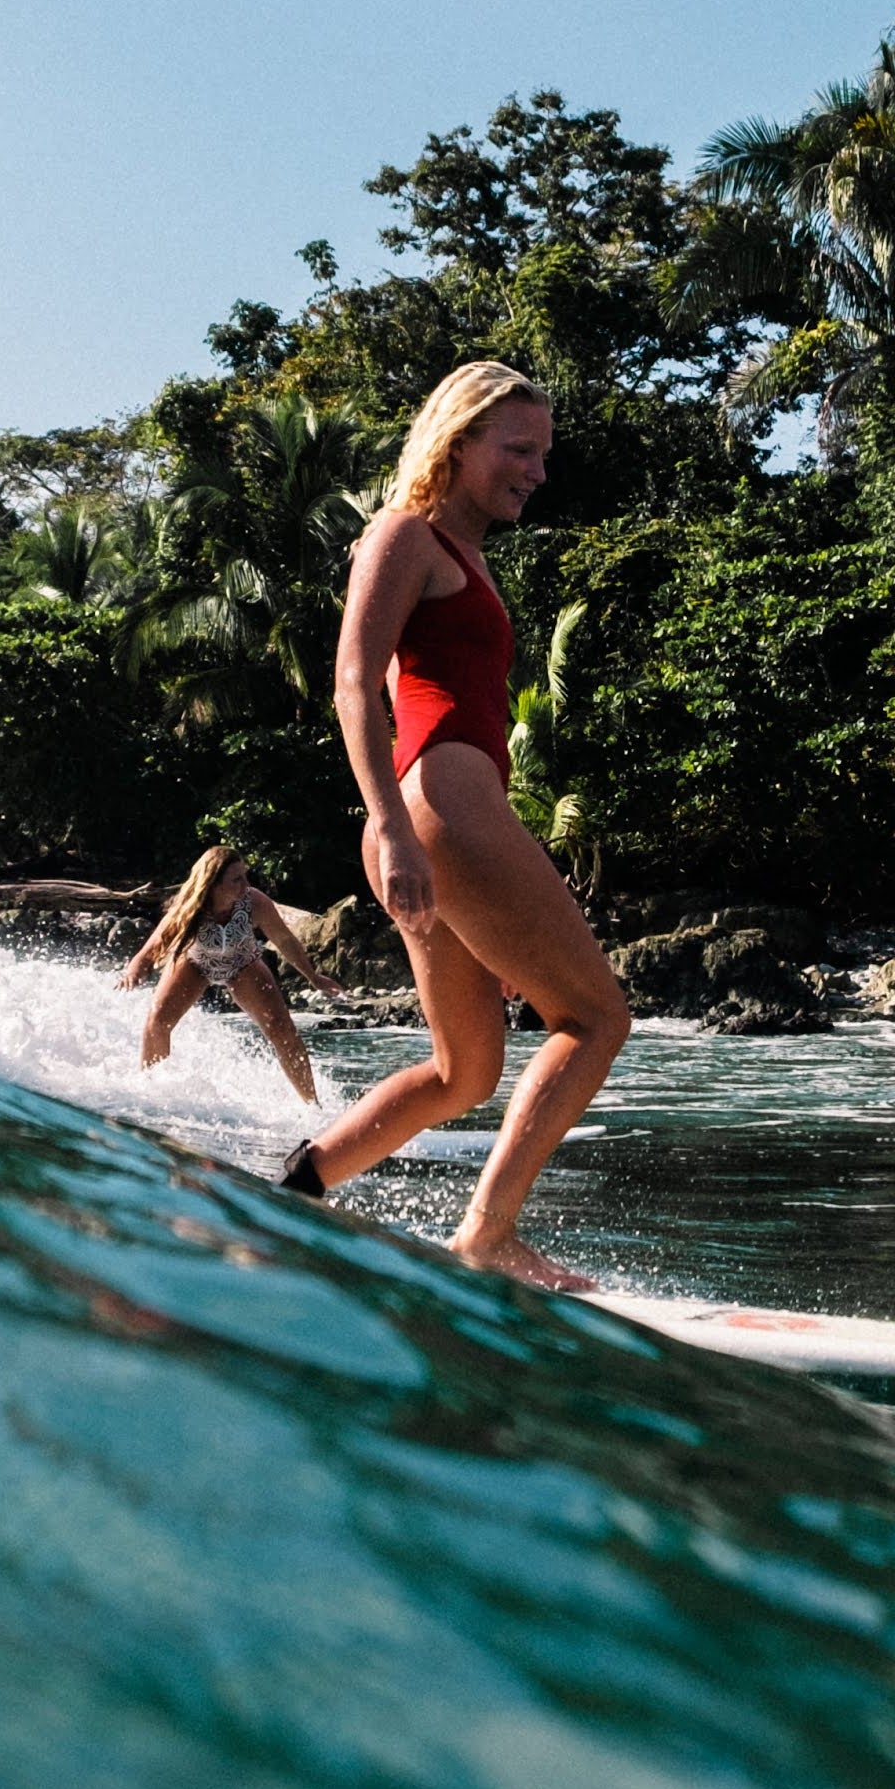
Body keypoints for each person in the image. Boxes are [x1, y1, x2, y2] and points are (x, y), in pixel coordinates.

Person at [276, 361, 631, 1289]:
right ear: (458, 438)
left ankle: (297, 1188)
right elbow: (354, 684)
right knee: (594, 1017)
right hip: (435, 805)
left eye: (543, 454)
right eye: (518, 449)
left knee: (464, 1071)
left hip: (445, 812)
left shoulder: (467, 556)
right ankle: (486, 1233)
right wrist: (391, 829)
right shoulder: (403, 533)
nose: (535, 471)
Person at [117, 840, 328, 1102]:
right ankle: (150, 1091)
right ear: (214, 883)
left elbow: (285, 940)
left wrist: (313, 976)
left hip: (243, 964)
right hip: (195, 964)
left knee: (282, 1029)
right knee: (158, 1020)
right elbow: (155, 944)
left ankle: (312, 1104)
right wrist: (135, 969)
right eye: (236, 879)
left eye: (245, 876)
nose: (245, 884)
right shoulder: (190, 907)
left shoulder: (255, 902)